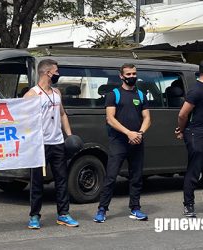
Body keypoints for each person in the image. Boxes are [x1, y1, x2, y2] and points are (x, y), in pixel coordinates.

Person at [23, 59, 79, 229]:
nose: (57, 74)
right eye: (56, 71)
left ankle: (63, 214)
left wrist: (69, 136)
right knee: (37, 182)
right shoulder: (31, 95)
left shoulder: (56, 92)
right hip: (40, 145)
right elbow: (23, 120)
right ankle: (34, 216)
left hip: (57, 143)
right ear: (48, 73)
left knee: (62, 180)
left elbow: (62, 114)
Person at [93, 63, 151, 223]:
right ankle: (102, 210)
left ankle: (135, 208)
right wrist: (128, 133)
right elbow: (110, 118)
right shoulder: (114, 94)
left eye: (134, 73)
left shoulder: (140, 94)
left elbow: (147, 118)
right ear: (121, 76)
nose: (132, 76)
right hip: (118, 142)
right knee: (111, 177)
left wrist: (139, 133)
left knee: (136, 177)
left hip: (137, 142)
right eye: (128, 74)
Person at [176, 60, 203, 217]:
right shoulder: (196, 91)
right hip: (196, 133)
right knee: (194, 169)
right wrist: (182, 128)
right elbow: (182, 114)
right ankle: (189, 205)